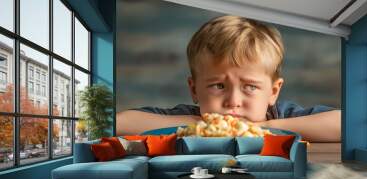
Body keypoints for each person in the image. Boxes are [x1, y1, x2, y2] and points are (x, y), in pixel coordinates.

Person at [117, 15, 341, 142]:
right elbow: (122, 123)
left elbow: (344, 124)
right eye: (218, 85)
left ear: (273, 92)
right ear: (194, 90)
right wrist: (200, 125)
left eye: (250, 87)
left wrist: (266, 127)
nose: (233, 101)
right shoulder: (191, 117)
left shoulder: (280, 116)